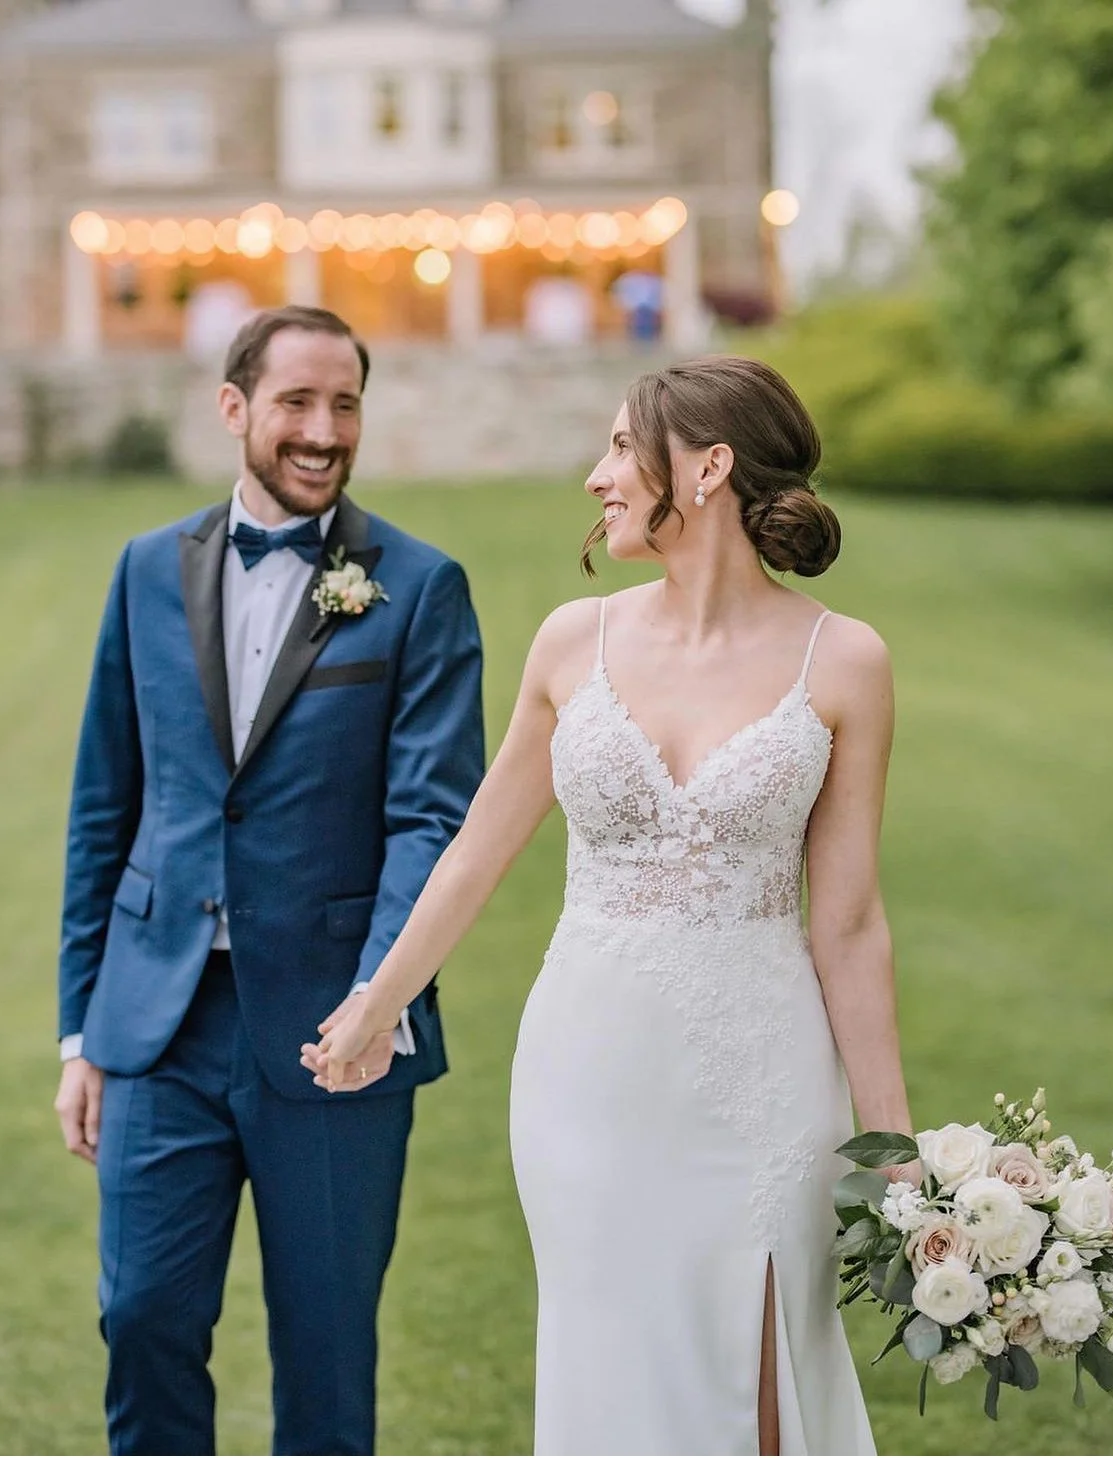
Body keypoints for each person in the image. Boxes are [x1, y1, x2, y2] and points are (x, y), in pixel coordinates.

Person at [304, 354, 915, 1456]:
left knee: (767, 1377)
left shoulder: (846, 661)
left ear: (710, 468)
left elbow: (850, 922)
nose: (598, 477)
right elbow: (475, 855)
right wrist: (377, 1002)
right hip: (587, 1083)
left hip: (766, 1083)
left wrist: (895, 1144)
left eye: (623, 448)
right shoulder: (570, 642)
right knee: (611, 1384)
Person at [54, 304, 484, 1456]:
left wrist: (377, 1003)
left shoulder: (420, 587)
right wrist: (80, 1033)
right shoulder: (148, 570)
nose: (323, 430)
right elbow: (107, 805)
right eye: (297, 401)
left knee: (328, 1359)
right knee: (140, 1317)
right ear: (235, 407)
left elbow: (431, 819)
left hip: (337, 1030)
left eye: (344, 404)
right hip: (159, 1024)